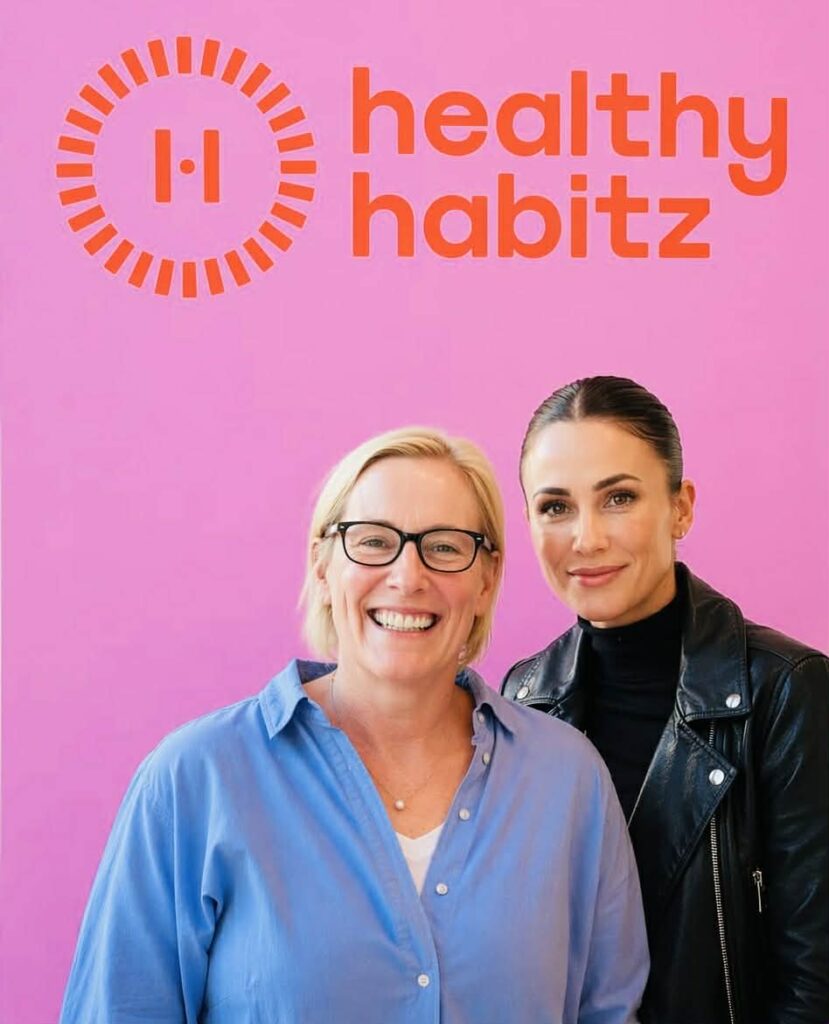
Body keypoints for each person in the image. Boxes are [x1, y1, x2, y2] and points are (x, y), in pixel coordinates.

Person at [60, 426, 648, 1024]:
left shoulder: (567, 779)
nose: (408, 577)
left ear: (486, 579)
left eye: (445, 547)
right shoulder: (194, 779)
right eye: (372, 541)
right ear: (322, 564)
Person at [502, 376, 829, 1024]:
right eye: (555, 506)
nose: (586, 538)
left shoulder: (787, 688)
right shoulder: (524, 699)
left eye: (618, 497)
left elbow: (814, 983)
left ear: (680, 508)